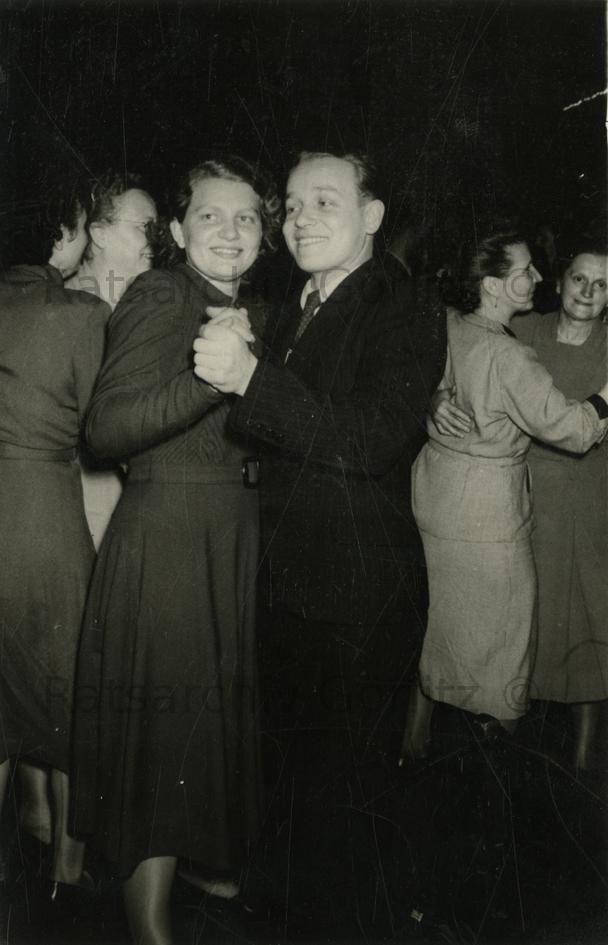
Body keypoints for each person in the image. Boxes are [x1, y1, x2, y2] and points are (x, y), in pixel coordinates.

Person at [192, 150, 447, 923]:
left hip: (357, 602)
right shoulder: (297, 301)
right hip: (290, 586)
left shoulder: (404, 306)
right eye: (294, 205)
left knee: (342, 816)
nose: (300, 218)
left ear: (372, 216)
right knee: (291, 794)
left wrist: (252, 377)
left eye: (325, 202)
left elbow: (368, 438)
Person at [70, 156, 280, 945]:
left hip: (223, 537)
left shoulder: (243, 305)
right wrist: (211, 380)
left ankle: (176, 886)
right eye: (211, 215)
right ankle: (148, 929)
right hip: (170, 542)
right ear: (179, 230)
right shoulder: (164, 292)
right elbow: (106, 428)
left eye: (247, 216)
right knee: (160, 747)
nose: (230, 230)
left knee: (191, 733)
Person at [399, 229, 608, 761]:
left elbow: (428, 366)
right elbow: (575, 429)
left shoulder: (452, 323)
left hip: (444, 489)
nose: (538, 276)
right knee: (504, 637)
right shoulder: (515, 346)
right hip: (488, 505)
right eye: (526, 270)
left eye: (602, 284)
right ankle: (492, 770)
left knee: (450, 617)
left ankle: (420, 745)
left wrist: (437, 394)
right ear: (492, 285)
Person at [16, 171, 158, 855]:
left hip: (105, 494)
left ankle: (59, 827)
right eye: (141, 225)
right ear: (94, 232)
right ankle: (46, 823)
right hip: (71, 495)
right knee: (59, 662)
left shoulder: (141, 302)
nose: (155, 237)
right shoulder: (70, 304)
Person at [0, 177, 108, 894]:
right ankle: (68, 871)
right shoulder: (81, 314)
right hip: (42, 515)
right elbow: (105, 428)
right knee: (72, 690)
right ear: (62, 233)